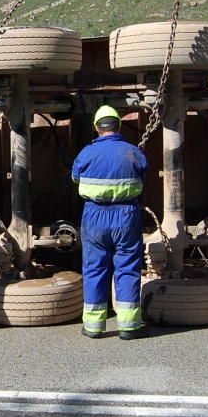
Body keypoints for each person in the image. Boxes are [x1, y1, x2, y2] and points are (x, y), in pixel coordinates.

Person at [71, 105, 149, 340]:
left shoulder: (86, 153)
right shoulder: (132, 152)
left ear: (97, 127)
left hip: (94, 215)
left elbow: (76, 177)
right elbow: (142, 177)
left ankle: (93, 327)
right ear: (118, 126)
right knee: (127, 267)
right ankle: (129, 326)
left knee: (95, 268)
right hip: (126, 214)